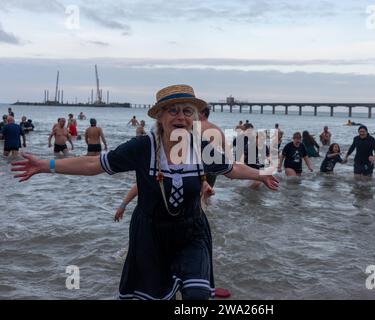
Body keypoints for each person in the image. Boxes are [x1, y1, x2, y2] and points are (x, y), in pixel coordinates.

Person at [11, 84, 279, 300]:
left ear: (194, 118)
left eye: (187, 111)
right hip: (150, 234)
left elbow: (230, 168)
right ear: (160, 117)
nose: (181, 116)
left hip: (192, 231)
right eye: (173, 110)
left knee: (197, 295)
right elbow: (94, 164)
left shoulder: (201, 147)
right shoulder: (141, 147)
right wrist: (47, 165)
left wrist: (261, 174)